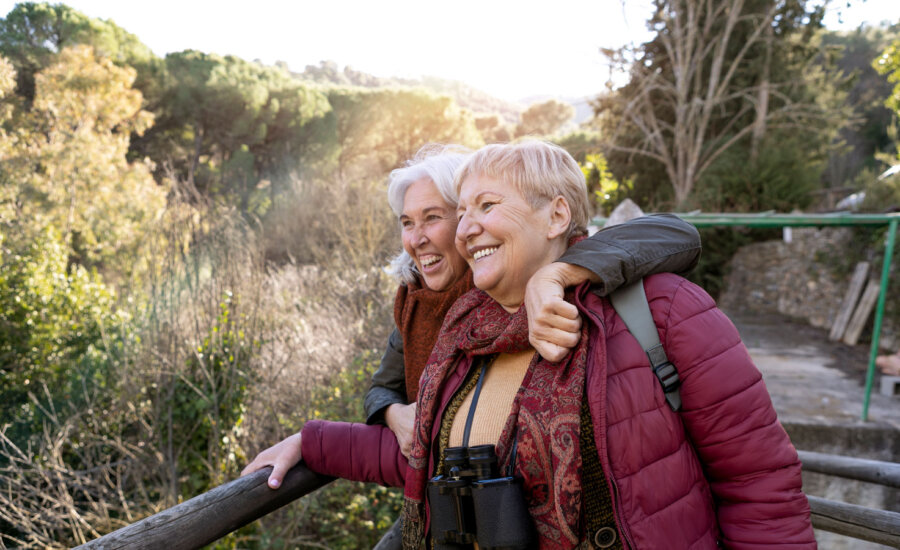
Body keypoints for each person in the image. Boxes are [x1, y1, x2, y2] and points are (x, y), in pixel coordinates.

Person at [286, 141, 816, 548]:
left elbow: (760, 484)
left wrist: (554, 276)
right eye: (463, 212)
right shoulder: (466, 334)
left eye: (485, 206)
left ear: (557, 216)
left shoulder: (662, 310)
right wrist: (312, 442)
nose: (466, 228)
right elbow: (432, 460)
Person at [244, 144, 702, 485]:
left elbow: (671, 233)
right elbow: (417, 426)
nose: (419, 237)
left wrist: (556, 275)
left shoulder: (539, 286)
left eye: (435, 217)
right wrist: (381, 419)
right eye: (407, 222)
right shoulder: (424, 305)